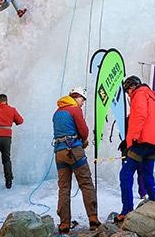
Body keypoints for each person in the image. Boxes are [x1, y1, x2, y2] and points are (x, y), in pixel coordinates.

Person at [115, 76, 155, 222]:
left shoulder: (139, 94)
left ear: (132, 87)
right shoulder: (151, 96)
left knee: (125, 174)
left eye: (127, 91)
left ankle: (127, 210)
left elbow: (139, 116)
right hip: (154, 142)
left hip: (141, 141)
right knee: (147, 174)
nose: (128, 94)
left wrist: (132, 140)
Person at [52, 86, 99, 234]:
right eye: (82, 99)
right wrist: (84, 141)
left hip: (59, 152)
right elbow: (84, 131)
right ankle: (93, 218)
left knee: (64, 188)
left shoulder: (57, 112)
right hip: (74, 150)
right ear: (76, 97)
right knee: (86, 183)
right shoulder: (75, 110)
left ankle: (64, 224)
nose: (83, 103)